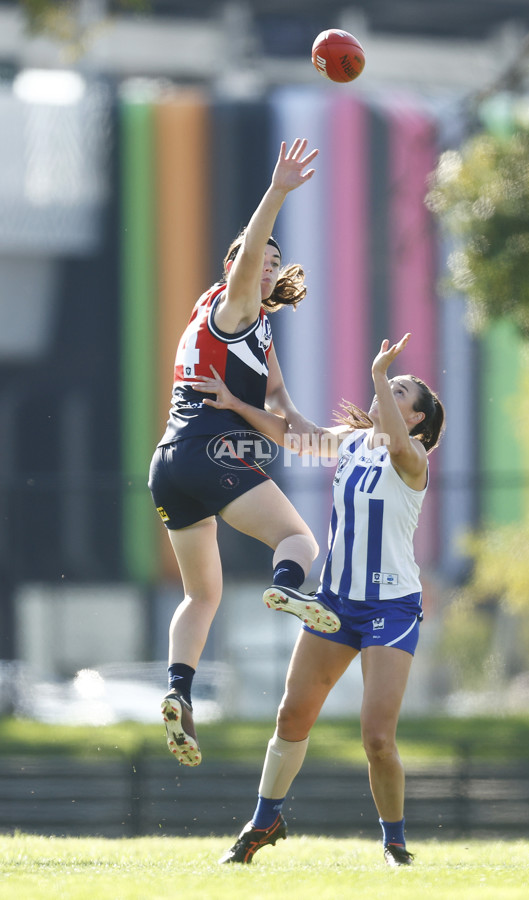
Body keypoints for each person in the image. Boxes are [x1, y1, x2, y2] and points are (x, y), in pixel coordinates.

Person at [194, 333, 445, 867]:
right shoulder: (352, 442)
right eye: (389, 385)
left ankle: (394, 844)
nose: (386, 391)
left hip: (390, 609)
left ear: (417, 420)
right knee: (291, 717)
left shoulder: (413, 456)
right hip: (333, 602)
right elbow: (295, 435)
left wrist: (379, 372)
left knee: (377, 738)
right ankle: (264, 822)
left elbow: (398, 446)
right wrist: (237, 402)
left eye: (401, 392)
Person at [148, 139, 341, 768]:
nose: (265, 266)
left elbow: (287, 422)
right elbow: (250, 250)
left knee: (202, 594)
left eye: (273, 263)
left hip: (170, 466)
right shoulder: (231, 309)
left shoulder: (256, 333)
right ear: (236, 267)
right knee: (301, 543)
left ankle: (178, 692)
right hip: (207, 452)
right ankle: (287, 590)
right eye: (256, 260)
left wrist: (354, 444)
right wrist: (279, 191)